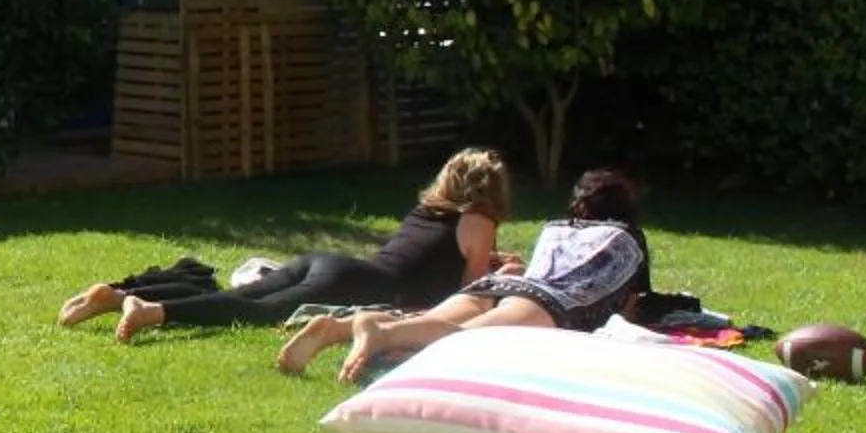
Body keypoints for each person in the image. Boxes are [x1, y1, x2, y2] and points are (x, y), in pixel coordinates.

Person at [56, 148, 515, 339]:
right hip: (360, 285)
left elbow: (427, 257)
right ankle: (152, 312)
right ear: (490, 192)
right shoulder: (480, 221)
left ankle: (117, 297)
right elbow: (472, 294)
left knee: (236, 296)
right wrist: (503, 275)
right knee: (256, 312)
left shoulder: (430, 210)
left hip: (336, 264)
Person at [278, 167, 652, 383]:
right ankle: (380, 331)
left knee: (429, 322)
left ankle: (342, 328)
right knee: (462, 339)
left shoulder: (556, 228)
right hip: (547, 301)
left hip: (501, 284)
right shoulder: (627, 239)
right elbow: (637, 302)